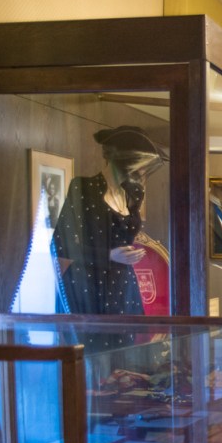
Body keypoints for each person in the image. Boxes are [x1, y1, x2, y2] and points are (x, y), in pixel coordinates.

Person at [52, 125, 165, 317]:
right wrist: (109, 255)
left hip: (123, 285)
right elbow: (60, 245)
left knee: (128, 335)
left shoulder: (132, 194)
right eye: (140, 162)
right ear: (126, 159)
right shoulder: (84, 188)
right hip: (90, 285)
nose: (143, 169)